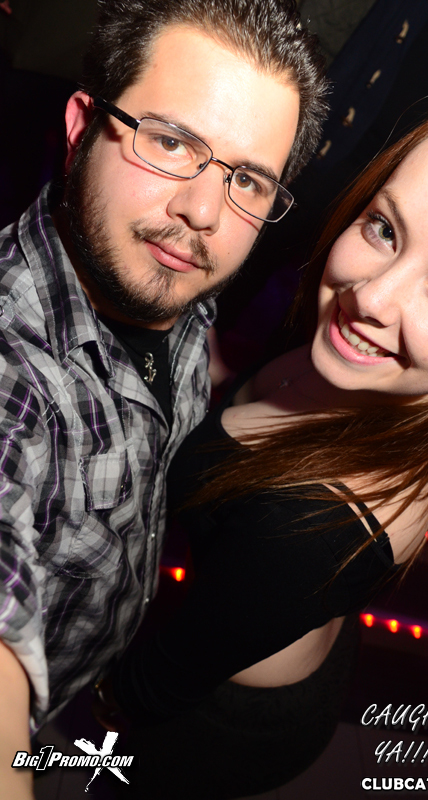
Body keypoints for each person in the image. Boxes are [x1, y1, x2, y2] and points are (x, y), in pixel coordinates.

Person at [100, 95, 428, 798]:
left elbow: (147, 689)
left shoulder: (312, 530)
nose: (369, 298)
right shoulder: (372, 366)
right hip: (275, 615)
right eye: (384, 229)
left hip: (208, 723)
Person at [0, 0, 328, 796]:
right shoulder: (15, 374)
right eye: (171, 141)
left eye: (246, 179)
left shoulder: (170, 282)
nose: (202, 214)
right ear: (83, 125)